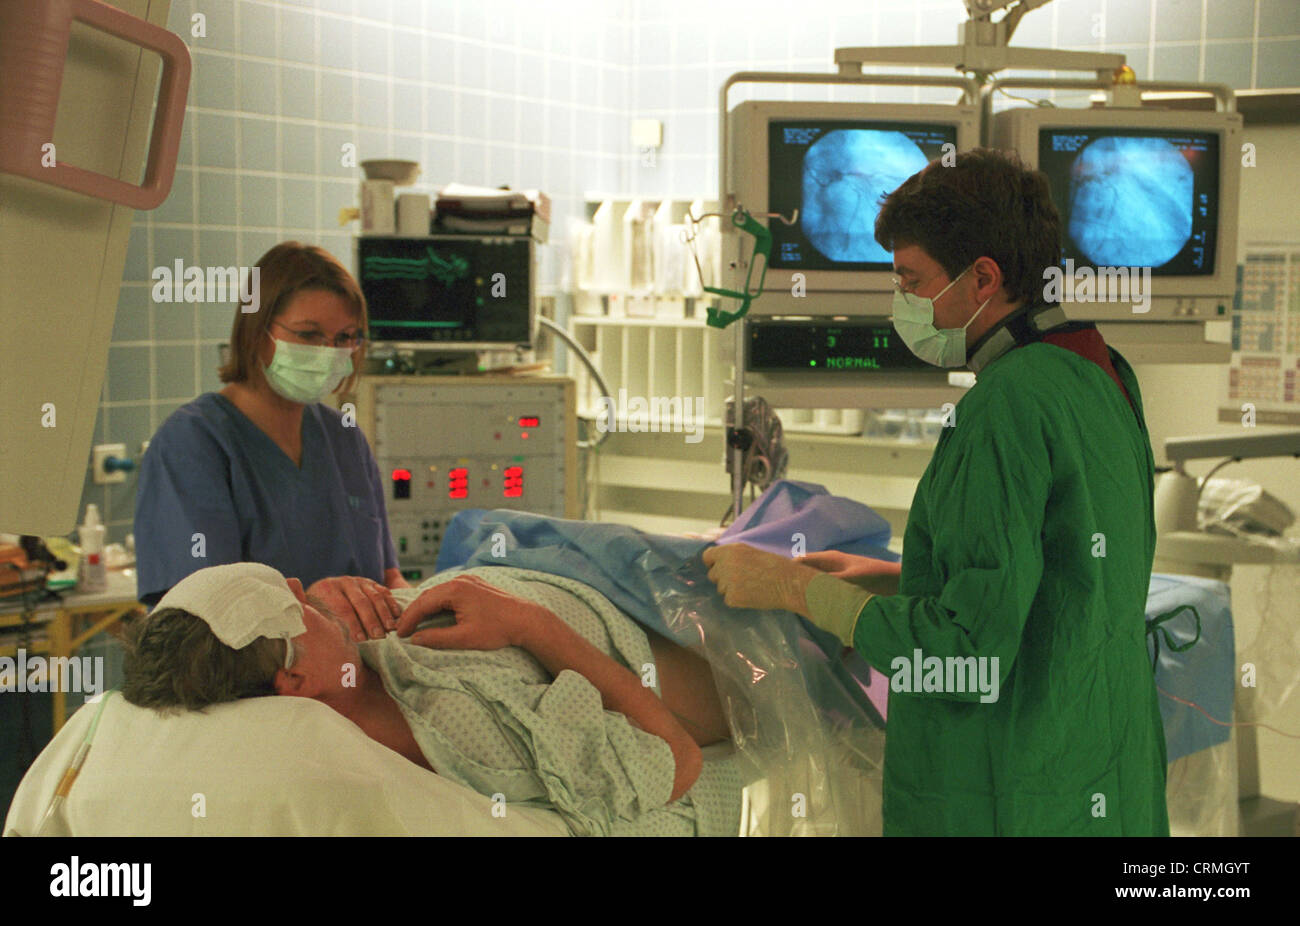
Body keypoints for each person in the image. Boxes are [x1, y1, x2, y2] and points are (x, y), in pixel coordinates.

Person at [703, 149, 1169, 836]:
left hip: (1011, 790)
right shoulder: (1098, 369)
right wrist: (893, 581)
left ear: (983, 277)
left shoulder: (1007, 405)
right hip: (1100, 772)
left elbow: (966, 656)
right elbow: (1054, 583)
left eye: (911, 280)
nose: (902, 303)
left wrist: (797, 591)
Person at [122, 562, 738, 837]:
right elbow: (674, 760)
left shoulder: (353, 671)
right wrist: (531, 625)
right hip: (668, 638)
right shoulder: (458, 726)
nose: (298, 586)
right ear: (293, 684)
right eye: (293, 607)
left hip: (576, 567)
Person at [134, 242, 407, 637]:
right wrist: (313, 606)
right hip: (256, 690)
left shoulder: (344, 438)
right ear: (257, 330)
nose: (329, 353)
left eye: (346, 337)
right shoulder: (194, 444)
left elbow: (386, 577)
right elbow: (193, 622)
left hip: (358, 676)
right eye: (309, 335)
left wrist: (421, 605)